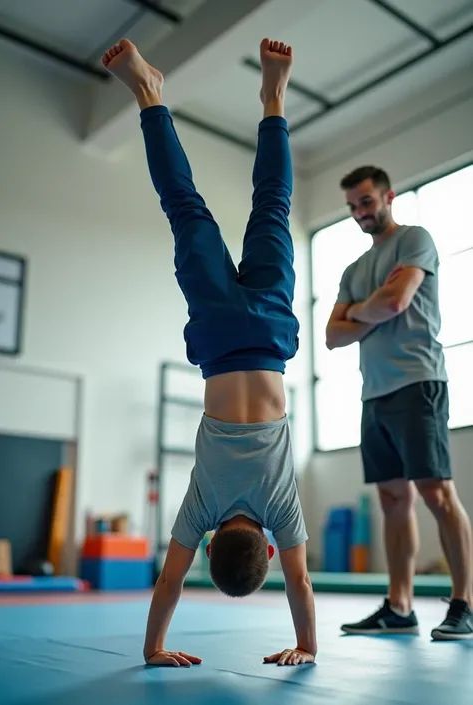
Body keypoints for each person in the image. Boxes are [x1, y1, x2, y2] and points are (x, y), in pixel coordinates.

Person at [101, 38, 316, 667]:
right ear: (211, 541)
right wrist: (153, 649)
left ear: (269, 550)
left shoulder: (281, 507)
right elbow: (169, 582)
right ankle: (149, 94)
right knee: (184, 209)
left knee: (272, 205)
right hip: (221, 335)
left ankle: (274, 95)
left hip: (271, 335)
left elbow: (301, 586)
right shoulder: (200, 506)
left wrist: (305, 646)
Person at [325, 165, 473, 640]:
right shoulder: (354, 269)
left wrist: (359, 312)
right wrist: (377, 303)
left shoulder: (415, 239)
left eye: (366, 202)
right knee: (393, 499)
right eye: (352, 207)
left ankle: (464, 604)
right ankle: (400, 605)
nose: (359, 213)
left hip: (418, 382)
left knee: (436, 493)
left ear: (387, 196)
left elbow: (396, 302)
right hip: (374, 392)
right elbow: (331, 335)